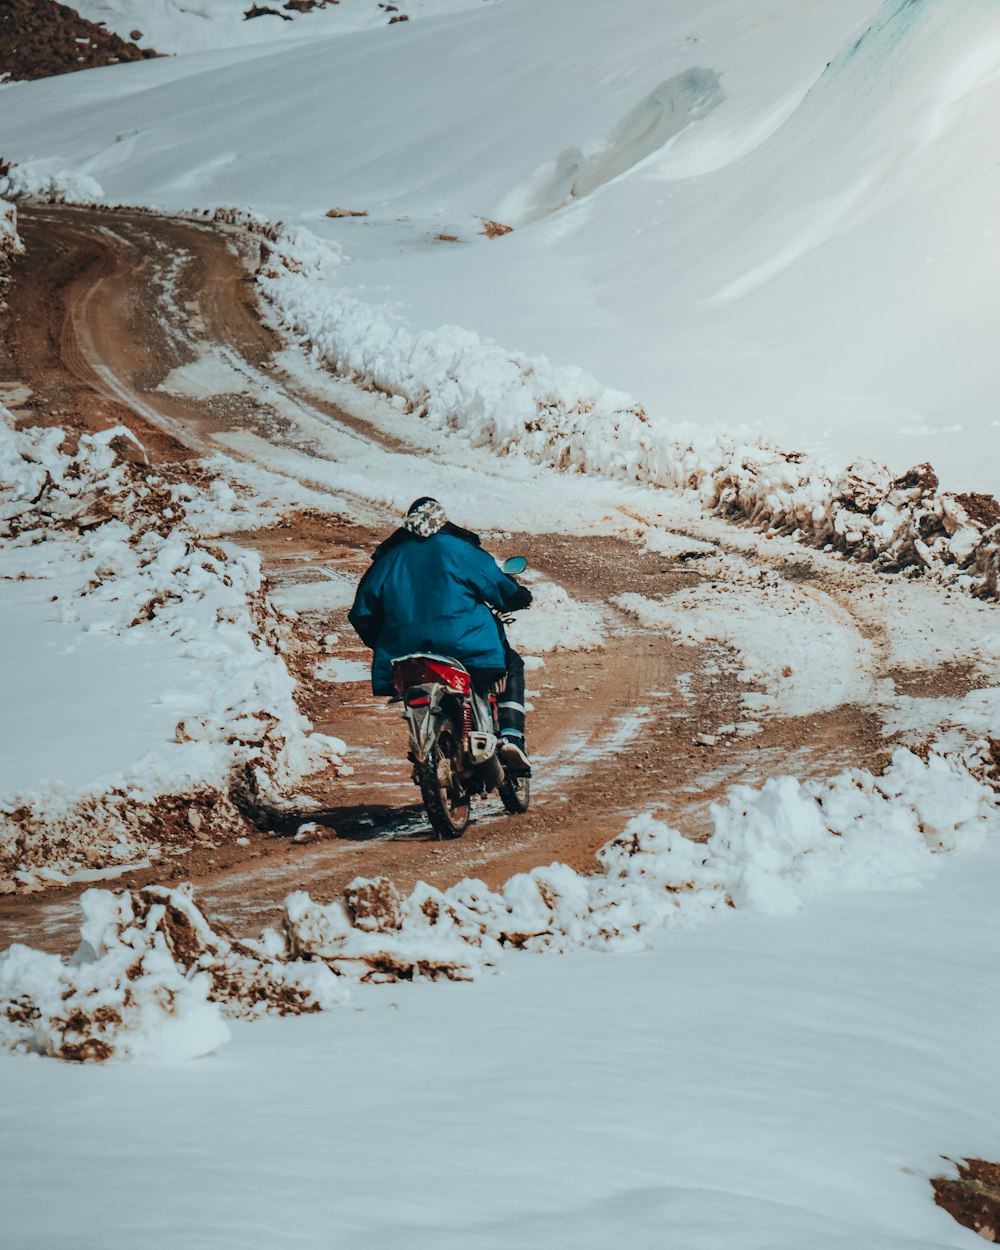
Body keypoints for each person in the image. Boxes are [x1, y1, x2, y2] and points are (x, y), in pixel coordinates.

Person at [348, 497, 533, 772]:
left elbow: (362, 613)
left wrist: (386, 644)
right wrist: (519, 596)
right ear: (442, 520)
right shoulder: (459, 549)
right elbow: (498, 585)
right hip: (467, 648)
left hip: (407, 657)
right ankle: (511, 736)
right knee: (512, 664)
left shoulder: (387, 560)